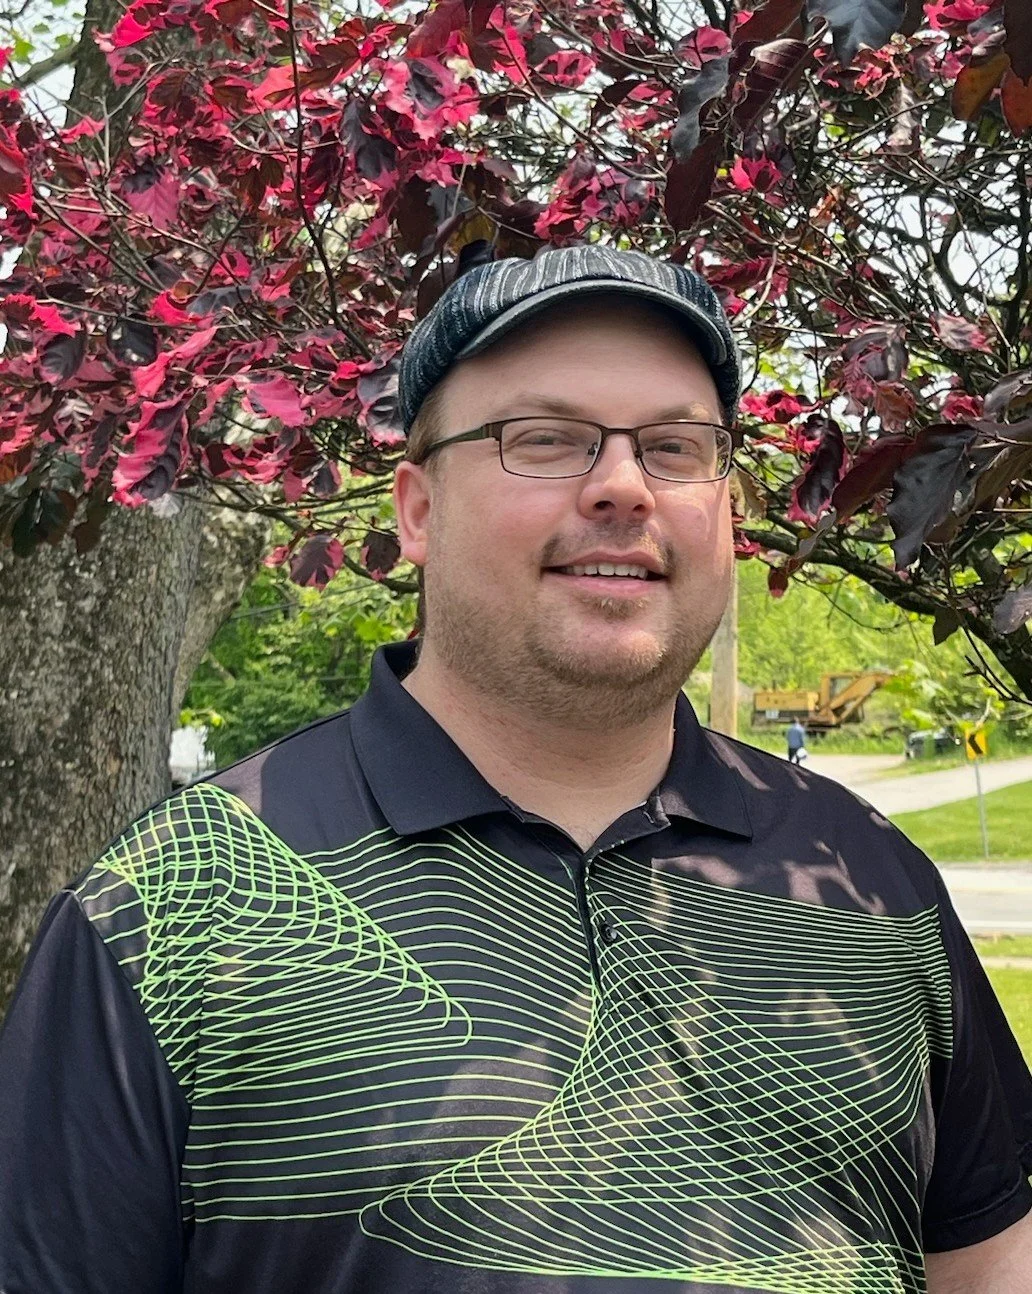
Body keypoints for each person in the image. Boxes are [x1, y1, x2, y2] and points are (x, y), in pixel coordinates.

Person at [2, 245, 1031, 1294]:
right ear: (417, 510)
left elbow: (991, 1261)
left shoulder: (870, 880)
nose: (623, 487)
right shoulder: (171, 907)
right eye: (546, 440)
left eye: (676, 448)